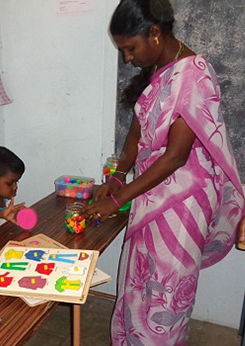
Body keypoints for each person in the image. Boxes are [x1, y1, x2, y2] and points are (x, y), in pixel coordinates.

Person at [80, 0, 245, 345]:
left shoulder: (194, 74)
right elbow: (136, 134)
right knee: (138, 283)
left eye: (129, 48)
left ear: (154, 33)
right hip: (150, 192)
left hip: (182, 202)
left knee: (165, 293)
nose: (127, 58)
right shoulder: (159, 71)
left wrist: (118, 200)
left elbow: (175, 157)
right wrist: (115, 176)